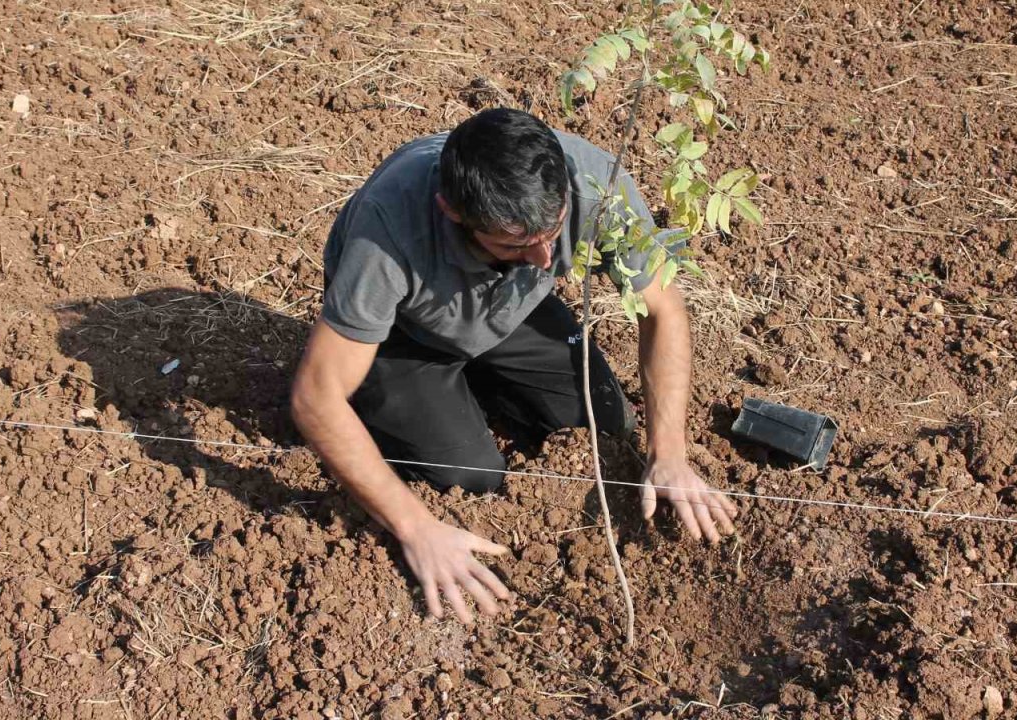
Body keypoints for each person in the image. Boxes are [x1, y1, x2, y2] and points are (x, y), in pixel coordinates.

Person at [290, 108, 737, 624]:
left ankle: (482, 370)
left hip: (511, 304)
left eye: (553, 232)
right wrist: (416, 529)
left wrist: (672, 454)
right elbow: (314, 398)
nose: (547, 259)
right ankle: (417, 399)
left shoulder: (594, 182)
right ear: (453, 212)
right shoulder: (389, 229)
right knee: (471, 476)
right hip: (403, 335)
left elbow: (664, 308)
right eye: (517, 244)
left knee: (607, 427)